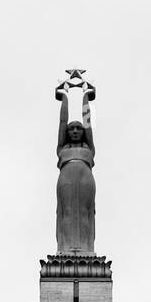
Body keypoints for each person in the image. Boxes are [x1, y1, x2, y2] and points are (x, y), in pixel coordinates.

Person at [54, 82, 96, 254]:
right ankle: (64, 249)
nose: (76, 131)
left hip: (85, 178)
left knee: (85, 213)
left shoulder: (89, 148)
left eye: (79, 128)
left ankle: (86, 249)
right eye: (72, 129)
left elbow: (88, 123)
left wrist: (86, 97)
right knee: (67, 212)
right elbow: (62, 122)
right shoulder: (63, 149)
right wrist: (64, 97)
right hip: (66, 179)